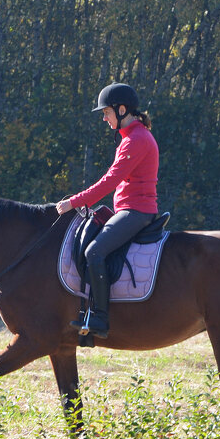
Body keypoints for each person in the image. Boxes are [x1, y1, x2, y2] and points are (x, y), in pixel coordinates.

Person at [56, 83, 159, 341]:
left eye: (106, 113)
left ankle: (100, 318)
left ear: (122, 109)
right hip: (126, 209)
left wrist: (75, 202)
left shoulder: (136, 139)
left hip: (136, 212)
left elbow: (109, 182)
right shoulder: (131, 137)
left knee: (95, 251)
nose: (104, 118)